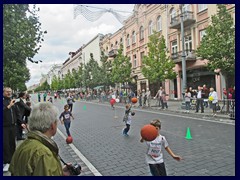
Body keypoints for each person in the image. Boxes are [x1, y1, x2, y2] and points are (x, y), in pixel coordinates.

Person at [9, 102, 72, 176]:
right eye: (56, 122)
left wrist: (59, 172)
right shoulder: (44, 154)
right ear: (52, 125)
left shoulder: (24, 144)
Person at [3, 87, 25, 172]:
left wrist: (21, 122)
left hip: (13, 126)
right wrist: (9, 106)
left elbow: (17, 113)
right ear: (3, 92)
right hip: (4, 127)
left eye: (10, 92)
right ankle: (7, 162)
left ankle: (13, 160)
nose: (9, 93)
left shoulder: (12, 101)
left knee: (12, 143)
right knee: (6, 145)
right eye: (7, 92)